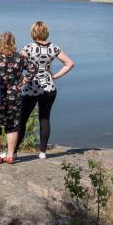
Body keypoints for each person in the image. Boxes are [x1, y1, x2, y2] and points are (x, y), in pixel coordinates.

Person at [15, 21, 74, 159]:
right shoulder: (54, 48)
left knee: (22, 119)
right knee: (45, 118)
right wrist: (54, 77)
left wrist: (21, 79)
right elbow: (70, 63)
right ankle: (42, 152)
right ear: (46, 32)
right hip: (48, 87)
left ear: (33, 33)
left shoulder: (28, 48)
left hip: (31, 87)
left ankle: (14, 151)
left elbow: (17, 66)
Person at [0, 32, 37, 164]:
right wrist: (22, 83)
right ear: (13, 42)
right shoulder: (20, 58)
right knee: (12, 126)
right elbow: (33, 69)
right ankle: (10, 156)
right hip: (13, 96)